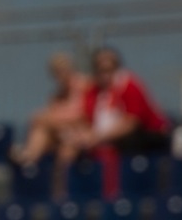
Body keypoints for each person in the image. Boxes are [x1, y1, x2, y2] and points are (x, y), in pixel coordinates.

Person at [58, 46, 171, 198]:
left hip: (147, 138)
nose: (105, 75)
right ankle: (63, 195)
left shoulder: (129, 85)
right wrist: (79, 136)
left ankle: (118, 193)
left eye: (109, 70)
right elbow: (85, 118)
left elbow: (131, 123)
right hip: (107, 139)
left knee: (121, 144)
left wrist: (96, 137)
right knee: (69, 147)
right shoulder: (94, 92)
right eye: (100, 70)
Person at [13, 53, 91, 167]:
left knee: (65, 146)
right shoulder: (56, 95)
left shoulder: (85, 86)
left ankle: (29, 157)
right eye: (57, 72)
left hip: (81, 131)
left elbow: (83, 114)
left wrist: (48, 118)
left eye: (63, 70)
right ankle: (29, 160)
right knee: (40, 130)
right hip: (61, 132)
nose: (60, 75)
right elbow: (52, 115)